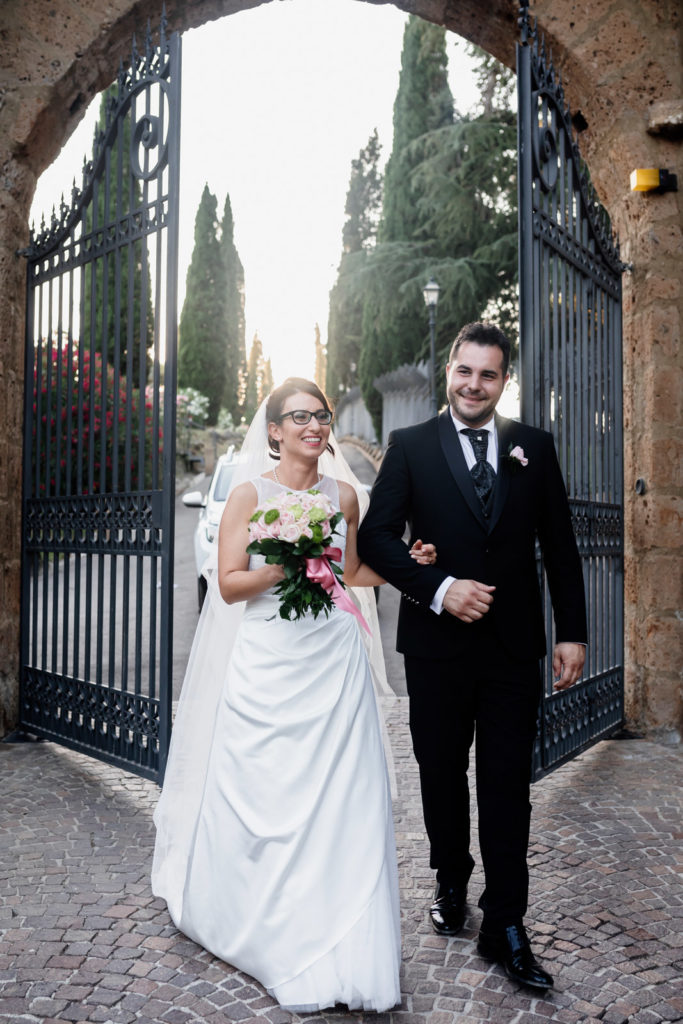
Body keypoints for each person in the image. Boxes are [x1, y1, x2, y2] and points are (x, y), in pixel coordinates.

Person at [152, 377, 435, 1013]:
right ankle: (267, 921)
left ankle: (348, 940)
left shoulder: (345, 494)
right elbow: (226, 584)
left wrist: (408, 564)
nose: (313, 425)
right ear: (274, 429)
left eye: (322, 414)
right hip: (268, 659)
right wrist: (287, 560)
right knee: (268, 789)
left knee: (344, 797)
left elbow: (355, 570)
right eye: (298, 416)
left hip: (333, 656)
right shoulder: (248, 494)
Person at [357, 322, 587, 991]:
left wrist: (570, 631)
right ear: (448, 371)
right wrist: (436, 587)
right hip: (435, 651)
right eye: (463, 371)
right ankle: (450, 876)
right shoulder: (408, 447)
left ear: (502, 380)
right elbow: (375, 537)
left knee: (507, 785)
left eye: (487, 375)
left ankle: (504, 924)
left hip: (513, 650)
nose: (472, 384)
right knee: (439, 772)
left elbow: (561, 547)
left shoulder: (533, 449)